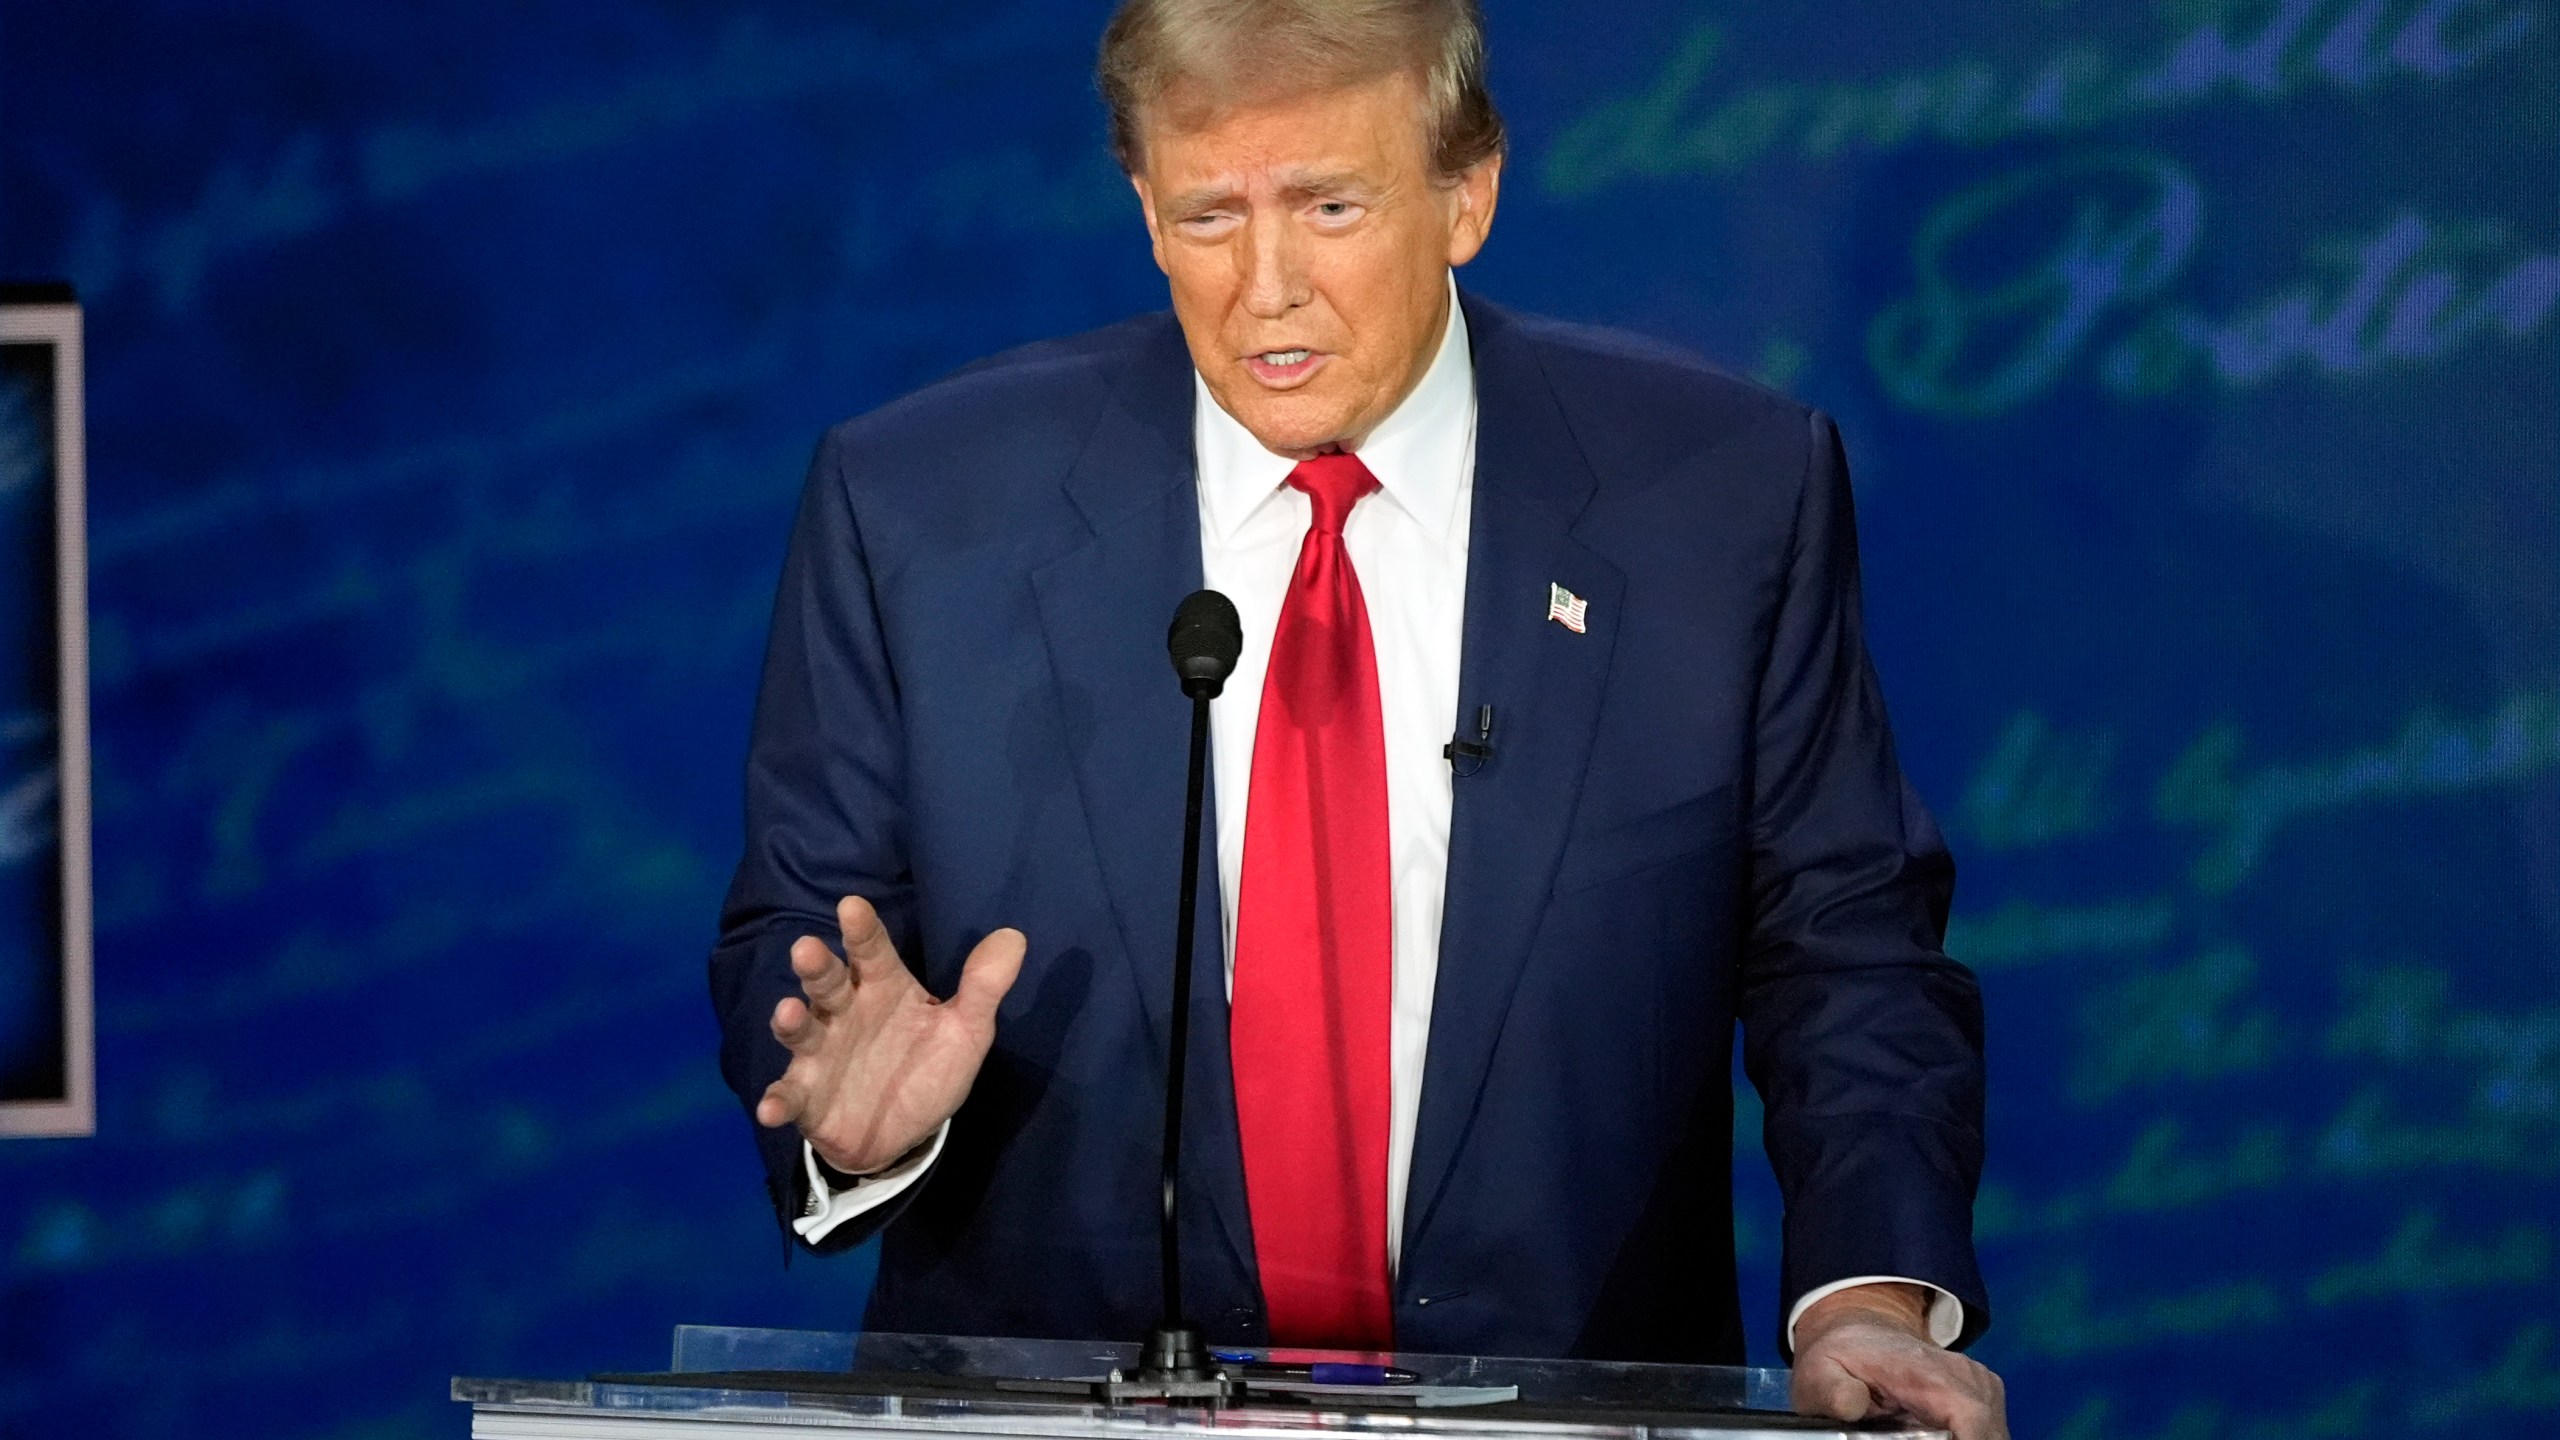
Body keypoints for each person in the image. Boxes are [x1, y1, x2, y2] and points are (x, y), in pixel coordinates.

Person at [710, 2, 2005, 1434]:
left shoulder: (1721, 496)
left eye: (1330, 206)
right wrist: (849, 1124)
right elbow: (806, 930)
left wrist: (1867, 1298)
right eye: (1209, 215)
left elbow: (1849, 950)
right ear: (1143, 208)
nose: (1267, 289)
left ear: (1469, 193)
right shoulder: (917, 508)